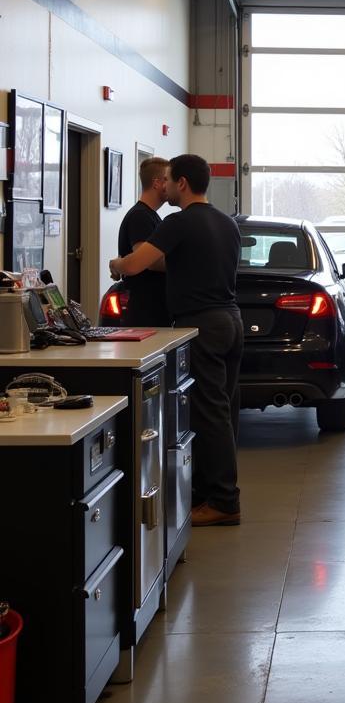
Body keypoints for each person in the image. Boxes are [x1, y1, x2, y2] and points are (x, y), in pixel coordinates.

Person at [110, 154, 244, 528]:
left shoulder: (178, 222)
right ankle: (208, 492)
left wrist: (116, 264)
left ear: (182, 183)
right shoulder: (226, 223)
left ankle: (224, 501)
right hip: (231, 321)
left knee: (208, 414)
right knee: (223, 412)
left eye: (168, 179)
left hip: (202, 325)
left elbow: (136, 264)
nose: (163, 185)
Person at [116, 156, 172, 327]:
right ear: (156, 183)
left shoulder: (151, 216)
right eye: (167, 180)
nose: (172, 184)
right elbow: (149, 262)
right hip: (146, 308)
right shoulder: (140, 216)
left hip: (154, 304)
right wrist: (185, 263)